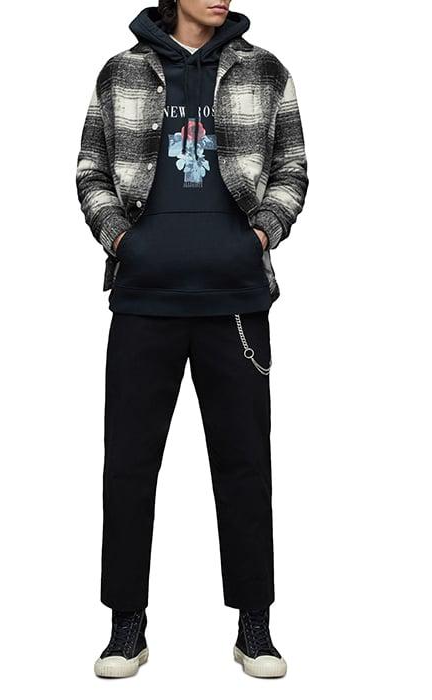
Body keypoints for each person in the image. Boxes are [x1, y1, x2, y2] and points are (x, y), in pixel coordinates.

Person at [76, 0, 308, 679]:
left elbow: (293, 168)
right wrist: (121, 240)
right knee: (127, 468)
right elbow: (90, 170)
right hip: (143, 302)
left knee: (244, 467)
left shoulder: (265, 71)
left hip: (235, 302)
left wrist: (258, 235)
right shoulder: (120, 73)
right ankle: (126, 626)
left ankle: (254, 625)